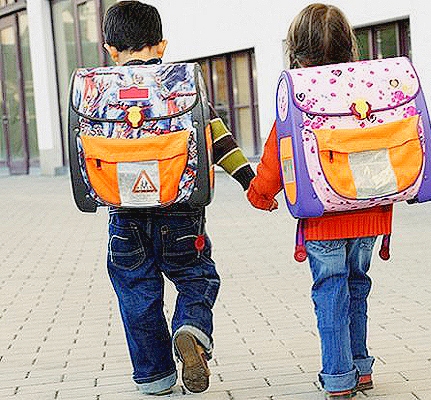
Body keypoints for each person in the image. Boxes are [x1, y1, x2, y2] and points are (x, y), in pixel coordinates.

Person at [102, 1, 255, 395]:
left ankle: (155, 376)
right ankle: (191, 328)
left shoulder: (98, 93)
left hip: (125, 216)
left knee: (137, 292)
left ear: (111, 50)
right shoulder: (180, 86)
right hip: (181, 212)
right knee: (196, 276)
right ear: (162, 45)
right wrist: (249, 181)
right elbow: (217, 137)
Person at [246, 3, 392, 399]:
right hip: (370, 213)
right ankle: (361, 367)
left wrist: (260, 194)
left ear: (295, 50)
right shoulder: (371, 90)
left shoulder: (300, 94)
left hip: (323, 217)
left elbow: (277, 154)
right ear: (349, 46)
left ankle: (339, 377)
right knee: (357, 286)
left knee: (330, 291)